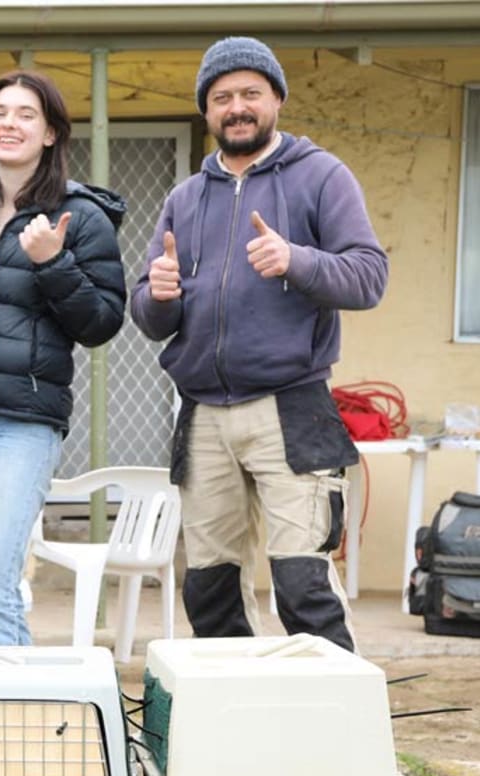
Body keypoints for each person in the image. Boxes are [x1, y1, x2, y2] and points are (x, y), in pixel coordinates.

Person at [131, 36, 387, 652]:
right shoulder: (185, 199)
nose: (236, 107)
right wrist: (158, 293)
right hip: (203, 416)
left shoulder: (321, 175)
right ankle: (238, 728)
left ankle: (335, 732)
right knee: (210, 590)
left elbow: (369, 276)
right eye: (222, 98)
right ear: (207, 111)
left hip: (291, 407)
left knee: (303, 584)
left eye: (250, 93)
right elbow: (147, 315)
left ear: (276, 98)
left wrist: (294, 259)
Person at [0, 71, 126, 646]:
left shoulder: (79, 218)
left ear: (52, 133)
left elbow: (103, 323)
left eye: (26, 114)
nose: (9, 124)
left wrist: (53, 262)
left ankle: (5, 717)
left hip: (24, 421)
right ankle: (12, 715)